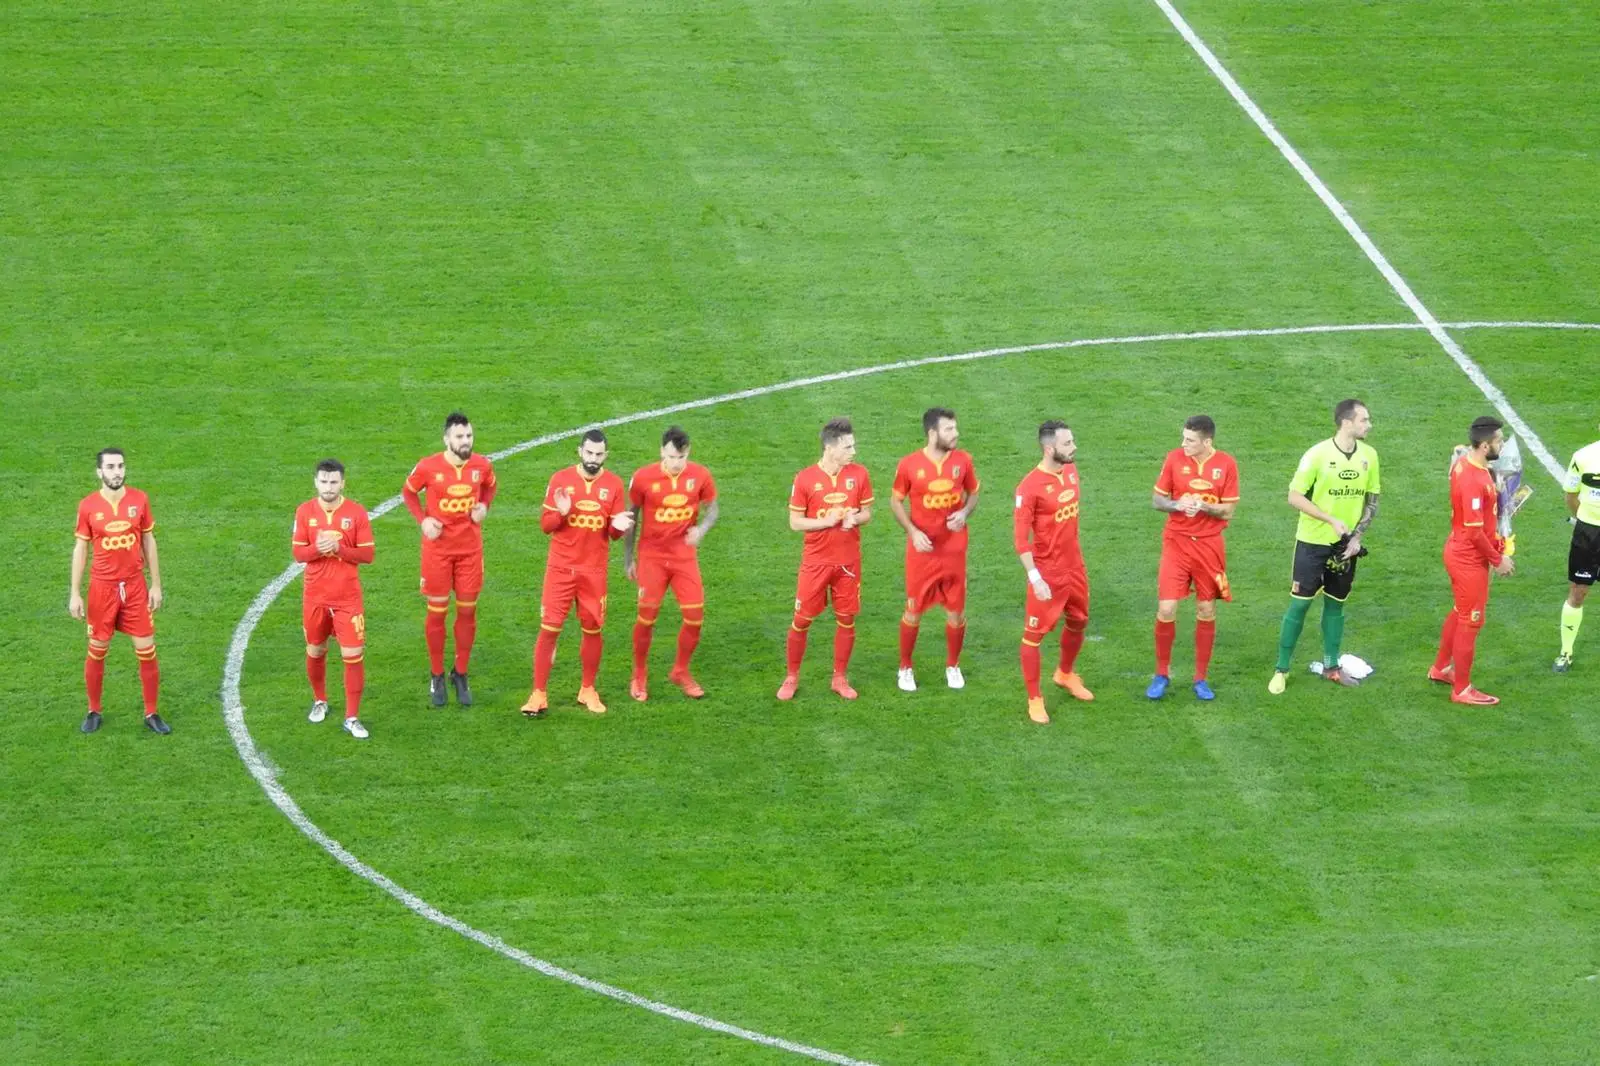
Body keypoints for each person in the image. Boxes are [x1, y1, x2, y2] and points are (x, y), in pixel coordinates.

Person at [1268, 399, 1381, 694]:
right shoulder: (1317, 455)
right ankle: (1281, 669)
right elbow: (1294, 496)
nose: (1369, 425)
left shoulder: (1369, 455)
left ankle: (1331, 667)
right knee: (1299, 605)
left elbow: (1372, 501)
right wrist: (1329, 518)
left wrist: (1357, 538)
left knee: (1336, 605)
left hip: (1345, 547)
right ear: (1347, 422)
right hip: (1312, 543)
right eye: (1364, 420)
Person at [523, 430, 632, 717]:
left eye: (598, 454)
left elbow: (612, 534)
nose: (593, 459)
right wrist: (561, 512)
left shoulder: (615, 485)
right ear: (579, 451)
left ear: (605, 455)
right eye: (589, 453)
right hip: (560, 569)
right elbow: (545, 525)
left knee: (593, 630)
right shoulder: (560, 480)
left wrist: (619, 527)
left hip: (593, 571)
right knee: (549, 630)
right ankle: (538, 694)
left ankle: (587, 689)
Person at [401, 411, 497, 707]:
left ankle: (461, 672)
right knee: (437, 613)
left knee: (467, 612)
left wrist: (483, 505)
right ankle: (436, 674)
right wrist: (423, 521)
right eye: (459, 436)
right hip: (438, 552)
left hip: (470, 551)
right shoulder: (429, 467)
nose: (465, 441)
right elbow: (408, 492)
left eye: (469, 436)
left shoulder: (481, 465)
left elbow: (491, 486)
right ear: (447, 439)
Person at [70, 447, 168, 734]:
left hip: (135, 586)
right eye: (111, 467)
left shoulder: (140, 500)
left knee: (147, 650)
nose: (117, 472)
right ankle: (93, 710)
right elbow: (81, 548)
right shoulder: (88, 506)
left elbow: (149, 541)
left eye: (121, 466)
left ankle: (151, 713)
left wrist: (156, 584)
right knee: (97, 649)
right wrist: (75, 592)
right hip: (102, 588)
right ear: (99, 472)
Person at [778, 417, 874, 701]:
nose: (853, 452)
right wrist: (827, 522)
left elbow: (868, 513)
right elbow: (795, 523)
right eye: (848, 446)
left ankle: (840, 678)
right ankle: (791, 677)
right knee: (802, 619)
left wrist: (854, 518)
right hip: (816, 562)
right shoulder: (805, 478)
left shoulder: (859, 474)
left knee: (846, 619)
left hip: (848, 562)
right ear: (830, 448)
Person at [622, 425, 719, 701]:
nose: (675, 464)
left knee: (695, 617)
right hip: (652, 556)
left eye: (680, 458)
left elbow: (713, 508)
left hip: (683, 557)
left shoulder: (700, 475)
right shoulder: (643, 477)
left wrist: (702, 529)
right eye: (670, 457)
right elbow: (632, 518)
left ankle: (680, 671)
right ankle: (639, 675)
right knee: (646, 618)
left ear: (688, 453)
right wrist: (629, 559)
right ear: (661, 452)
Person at [1148, 415, 1239, 701]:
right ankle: (1161, 674)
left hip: (1209, 546)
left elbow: (1228, 512)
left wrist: (1203, 507)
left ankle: (1200, 679)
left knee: (1206, 610)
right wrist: (1177, 504)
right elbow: (1157, 500)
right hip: (1176, 543)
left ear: (1207, 442)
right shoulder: (1174, 459)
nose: (1183, 444)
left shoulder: (1226, 464)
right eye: (1183, 438)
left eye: (1190, 440)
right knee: (1166, 608)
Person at [889, 407, 980, 692]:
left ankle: (952, 665)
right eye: (949, 429)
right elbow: (895, 502)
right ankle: (905, 667)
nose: (956, 434)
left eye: (955, 428)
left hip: (954, 550)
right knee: (913, 611)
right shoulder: (909, 465)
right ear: (932, 433)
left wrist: (964, 512)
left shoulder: (963, 461)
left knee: (956, 612)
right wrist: (913, 532)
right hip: (923, 552)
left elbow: (974, 493)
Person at [1014, 420, 1094, 724]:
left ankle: (1065, 673)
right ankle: (1035, 699)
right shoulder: (1029, 487)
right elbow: (1021, 540)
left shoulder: (1070, 471)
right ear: (1050, 449)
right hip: (1047, 572)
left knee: (1079, 620)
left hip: (1075, 565)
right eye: (1067, 444)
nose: (1073, 448)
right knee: (1033, 637)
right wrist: (1036, 578)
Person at [1430, 417, 1515, 704]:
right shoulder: (1472, 479)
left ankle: (1441, 668)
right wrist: (1497, 559)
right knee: (1472, 620)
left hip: (1460, 551)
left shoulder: (1469, 465)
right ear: (1484, 445)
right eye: (1498, 442)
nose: (1502, 445)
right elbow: (1474, 531)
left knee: (1459, 610)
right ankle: (1462, 689)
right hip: (1469, 559)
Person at [292, 459, 375, 739]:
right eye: (324, 481)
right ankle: (320, 700)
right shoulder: (304, 512)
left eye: (334, 482)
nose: (329, 487)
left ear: (343, 483)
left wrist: (339, 548)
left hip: (347, 599)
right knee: (315, 650)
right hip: (315, 597)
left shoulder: (357, 513)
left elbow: (367, 555)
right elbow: (298, 554)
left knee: (353, 655)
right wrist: (318, 548)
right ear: (316, 482)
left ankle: (352, 717)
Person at [1555, 425, 1600, 672]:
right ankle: (1566, 651)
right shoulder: (1583, 456)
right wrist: (1583, 520)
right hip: (1588, 534)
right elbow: (1570, 495)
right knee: (1578, 591)